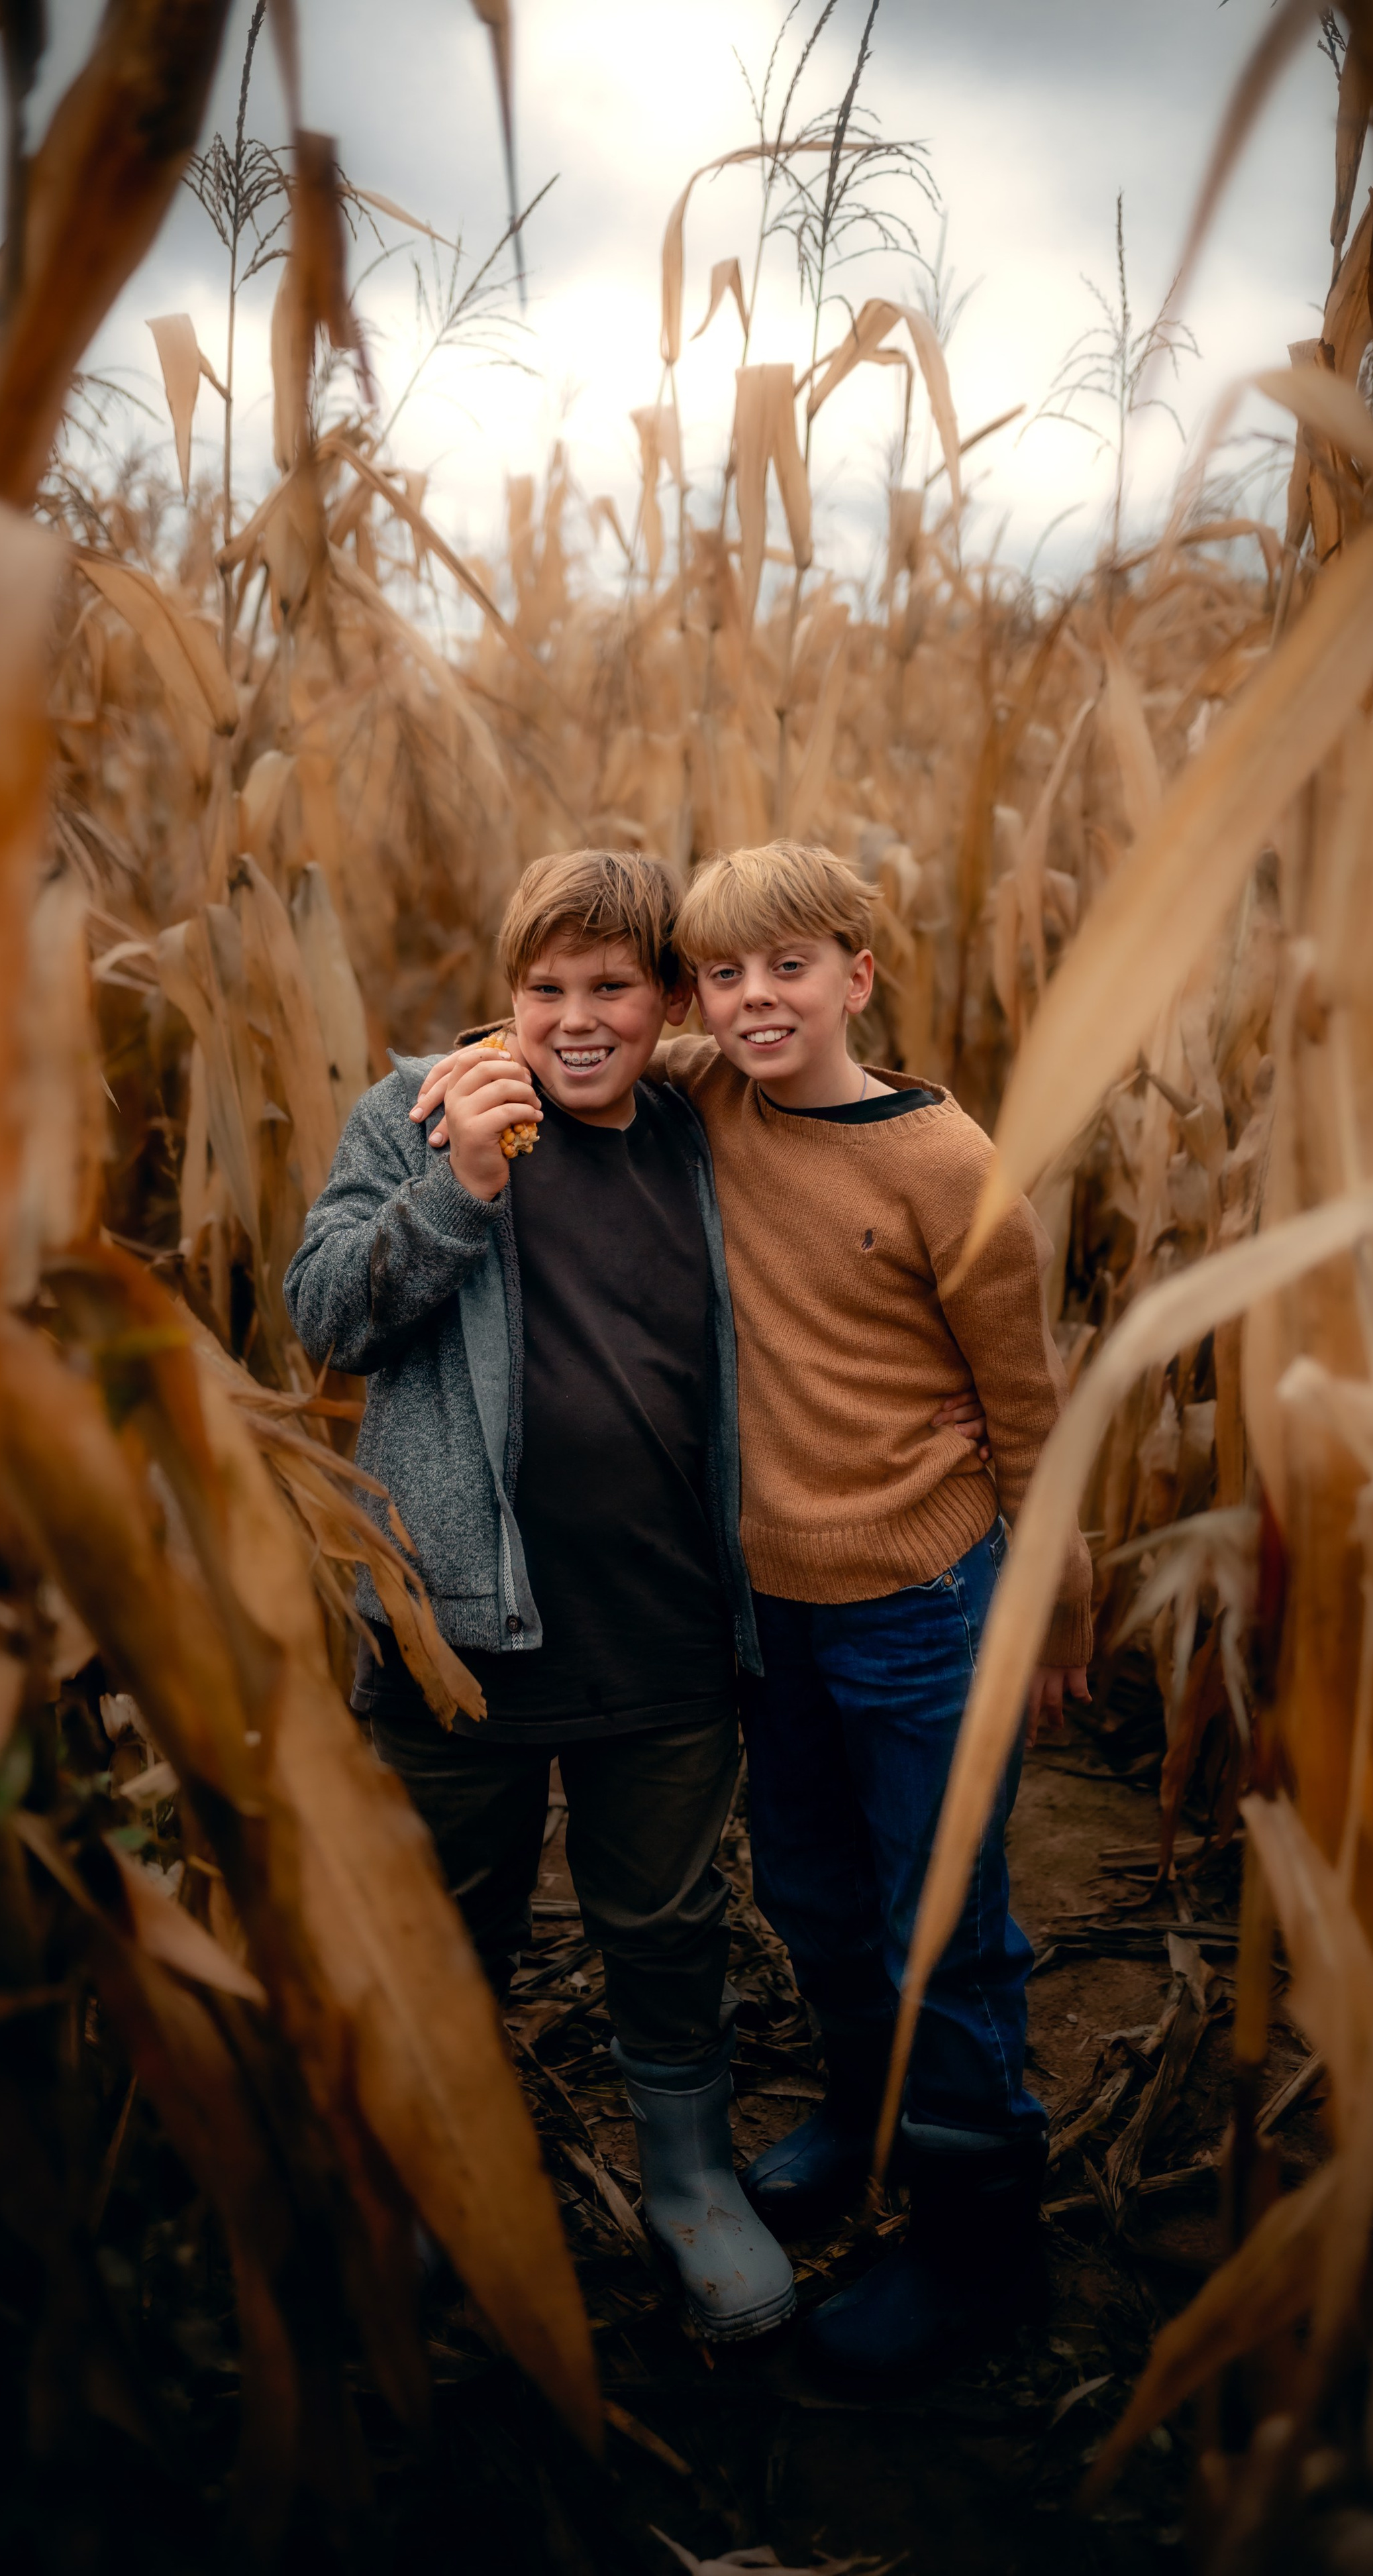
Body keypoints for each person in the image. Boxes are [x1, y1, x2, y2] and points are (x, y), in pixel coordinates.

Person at [413, 838, 1089, 2392]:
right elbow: (569, 1032)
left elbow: (1024, 1402)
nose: (753, 998)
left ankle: (980, 2235)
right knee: (811, 1893)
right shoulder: (705, 1097)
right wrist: (466, 1071)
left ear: (858, 976)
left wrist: (1053, 1605)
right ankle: (864, 2114)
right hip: (763, 1608)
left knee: (938, 1919)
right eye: (720, 974)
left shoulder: (948, 1167)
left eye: (789, 966)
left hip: (919, 1596)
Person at [283, 849, 795, 2340]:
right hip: (459, 1631)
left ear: (669, 1003)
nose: (577, 1020)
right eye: (545, 989)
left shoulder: (699, 1132)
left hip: (663, 1619)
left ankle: (689, 2182)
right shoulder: (415, 1113)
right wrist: (460, 1186)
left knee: (668, 1918)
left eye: (612, 988)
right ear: (507, 996)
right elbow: (322, 1316)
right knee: (447, 1923)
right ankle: (435, 2178)